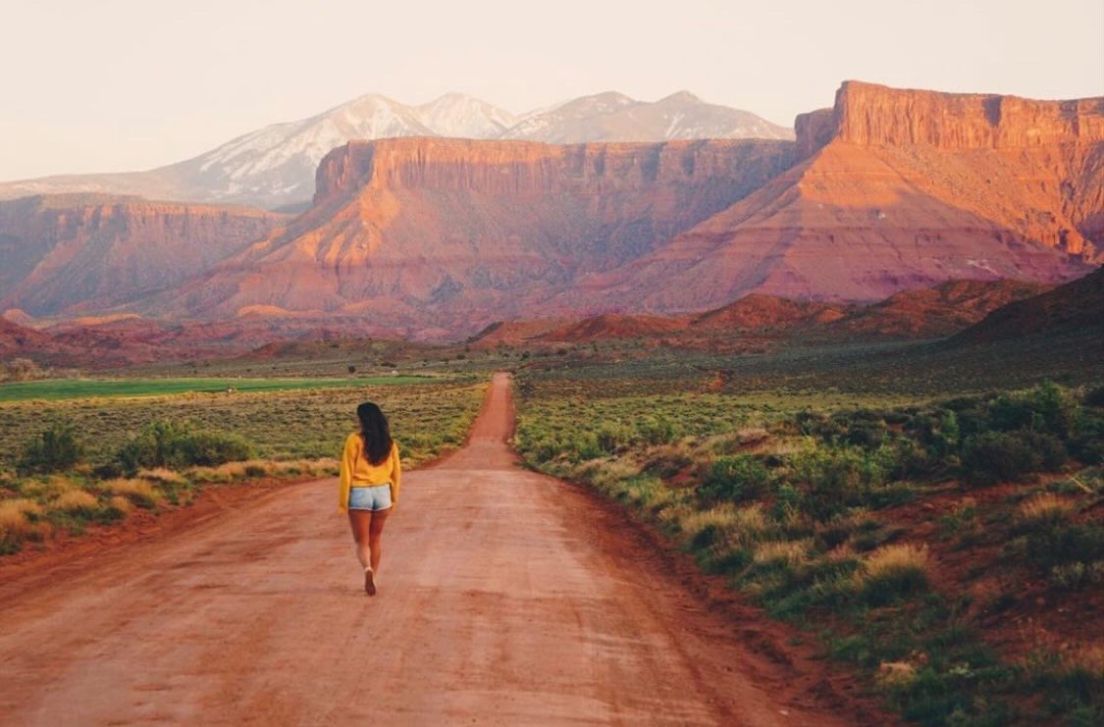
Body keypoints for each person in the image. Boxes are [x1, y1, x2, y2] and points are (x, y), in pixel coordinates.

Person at [338, 401, 402, 595]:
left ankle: (367, 568)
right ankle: (373, 577)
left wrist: (343, 501)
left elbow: (346, 472)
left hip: (360, 493)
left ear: (362, 419)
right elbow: (396, 473)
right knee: (376, 539)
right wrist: (394, 499)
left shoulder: (354, 440)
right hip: (383, 493)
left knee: (362, 541)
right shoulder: (389, 443)